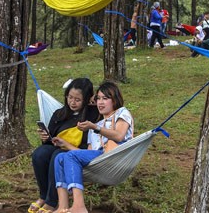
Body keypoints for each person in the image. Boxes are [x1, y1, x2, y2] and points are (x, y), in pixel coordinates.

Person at [52, 81, 133, 213]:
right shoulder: (95, 125)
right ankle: (63, 206)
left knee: (70, 156)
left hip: (116, 155)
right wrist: (65, 145)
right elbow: (86, 154)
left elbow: (119, 136)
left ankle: (79, 207)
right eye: (98, 98)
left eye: (105, 98)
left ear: (115, 100)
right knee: (60, 157)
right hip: (99, 159)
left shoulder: (121, 113)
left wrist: (95, 127)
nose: (100, 102)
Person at [29, 78, 99, 213]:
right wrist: (45, 138)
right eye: (70, 97)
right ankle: (43, 196)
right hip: (59, 147)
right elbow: (51, 140)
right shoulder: (60, 113)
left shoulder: (94, 114)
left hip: (79, 153)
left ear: (87, 99)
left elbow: (109, 105)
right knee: (40, 153)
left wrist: (95, 101)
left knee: (58, 155)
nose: (72, 102)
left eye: (77, 100)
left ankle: (51, 202)